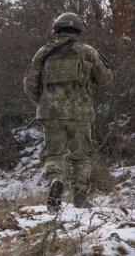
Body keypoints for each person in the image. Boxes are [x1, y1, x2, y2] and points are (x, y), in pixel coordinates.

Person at [23, 12, 112, 212]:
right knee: (81, 156)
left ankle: (55, 180)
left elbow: (29, 84)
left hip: (51, 114)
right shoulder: (87, 52)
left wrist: (45, 103)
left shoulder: (43, 52)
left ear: (56, 30)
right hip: (80, 114)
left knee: (53, 154)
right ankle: (80, 197)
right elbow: (106, 79)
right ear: (79, 31)